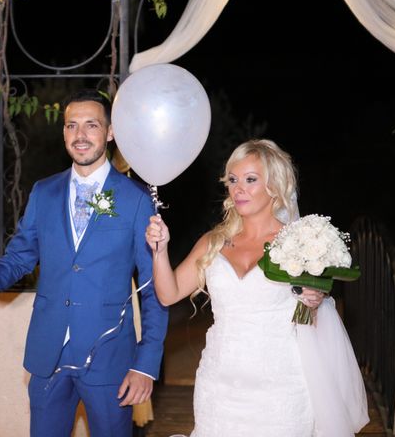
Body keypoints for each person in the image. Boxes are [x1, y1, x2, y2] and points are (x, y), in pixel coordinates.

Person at [0, 89, 168, 437]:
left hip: (109, 359)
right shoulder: (43, 192)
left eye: (91, 125)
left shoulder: (136, 199)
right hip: (47, 356)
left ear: (110, 132)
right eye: (71, 126)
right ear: (63, 132)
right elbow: (19, 257)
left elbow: (154, 288)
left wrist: (146, 365)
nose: (80, 135)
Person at [145, 139, 369, 437]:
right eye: (233, 180)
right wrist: (159, 251)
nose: (238, 189)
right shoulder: (213, 242)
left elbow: (313, 319)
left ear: (274, 186)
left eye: (250, 180)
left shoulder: (301, 243)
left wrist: (313, 303)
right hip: (220, 381)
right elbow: (168, 293)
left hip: (281, 385)